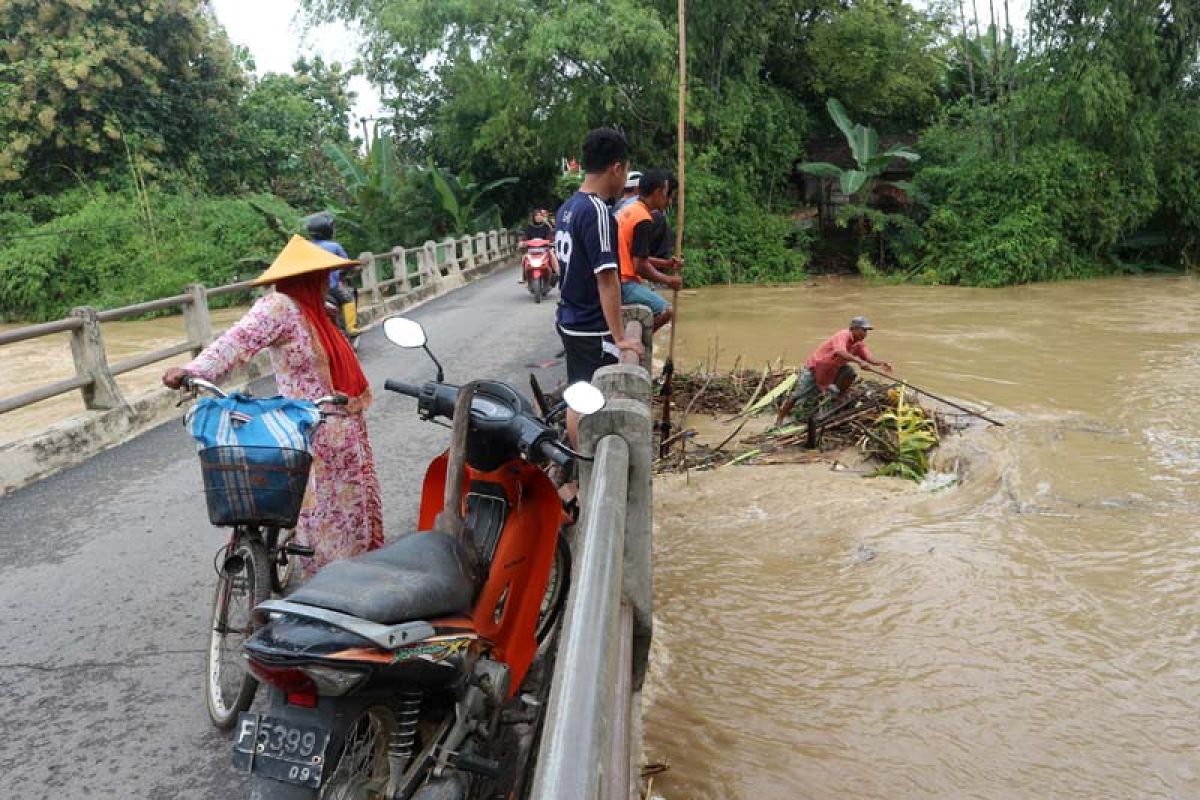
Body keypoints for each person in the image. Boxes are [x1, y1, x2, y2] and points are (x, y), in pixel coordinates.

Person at [163, 236, 384, 575]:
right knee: (324, 515)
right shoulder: (279, 306)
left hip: (344, 423)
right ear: (305, 278)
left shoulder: (319, 310)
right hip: (309, 428)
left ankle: (351, 576)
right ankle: (330, 587)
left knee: (346, 511)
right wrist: (194, 371)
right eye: (321, 275)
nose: (327, 281)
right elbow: (237, 342)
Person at [555, 128, 644, 446]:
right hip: (592, 328)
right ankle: (591, 472)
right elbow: (607, 280)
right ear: (616, 168)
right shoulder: (597, 211)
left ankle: (581, 478)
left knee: (577, 396)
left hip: (570, 320)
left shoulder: (567, 208)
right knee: (596, 403)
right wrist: (621, 338)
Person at [774, 316, 894, 426]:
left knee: (850, 373)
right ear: (854, 329)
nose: (865, 333)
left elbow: (868, 358)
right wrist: (859, 362)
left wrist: (881, 363)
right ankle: (780, 418)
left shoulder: (859, 344)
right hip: (815, 368)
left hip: (834, 368)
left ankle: (838, 398)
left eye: (866, 330)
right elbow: (840, 352)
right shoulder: (843, 335)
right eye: (864, 330)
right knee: (798, 395)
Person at [616, 169, 682, 331]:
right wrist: (669, 280)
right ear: (658, 192)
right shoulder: (643, 220)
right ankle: (642, 343)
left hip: (617, 279)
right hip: (625, 283)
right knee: (667, 310)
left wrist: (666, 263)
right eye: (668, 194)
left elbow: (636, 256)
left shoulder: (629, 210)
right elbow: (640, 266)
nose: (669, 201)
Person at [305, 212, 360, 336]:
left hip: (312, 290)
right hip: (331, 287)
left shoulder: (306, 247)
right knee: (348, 298)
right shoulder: (334, 246)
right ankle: (352, 328)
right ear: (328, 231)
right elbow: (346, 264)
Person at [519, 208, 558, 284]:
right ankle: (523, 275)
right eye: (536, 215)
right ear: (533, 217)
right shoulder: (529, 226)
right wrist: (522, 242)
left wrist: (551, 242)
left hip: (544, 249)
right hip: (532, 250)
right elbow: (525, 236)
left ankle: (555, 273)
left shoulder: (546, 226)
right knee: (524, 257)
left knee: (552, 255)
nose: (538, 217)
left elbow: (550, 235)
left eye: (540, 215)